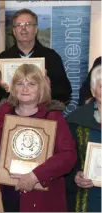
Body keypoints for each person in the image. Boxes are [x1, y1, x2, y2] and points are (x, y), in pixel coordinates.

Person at [0, 64, 76, 211]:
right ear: (13, 88)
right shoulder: (2, 115)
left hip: (42, 197)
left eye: (31, 84)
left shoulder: (53, 117)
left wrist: (35, 176)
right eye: (20, 83)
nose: (25, 88)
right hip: (7, 194)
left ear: (41, 88)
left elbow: (68, 156)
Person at [0, 8, 71, 104]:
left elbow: (65, 92)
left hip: (43, 114)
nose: (23, 29)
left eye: (28, 24)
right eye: (19, 25)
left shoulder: (51, 57)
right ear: (14, 31)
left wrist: (47, 87)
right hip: (11, 113)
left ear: (36, 29)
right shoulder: (3, 58)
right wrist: (0, 87)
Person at [66, 64, 101, 212]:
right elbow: (67, 159)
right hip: (89, 196)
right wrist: (76, 175)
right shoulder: (75, 120)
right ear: (93, 91)